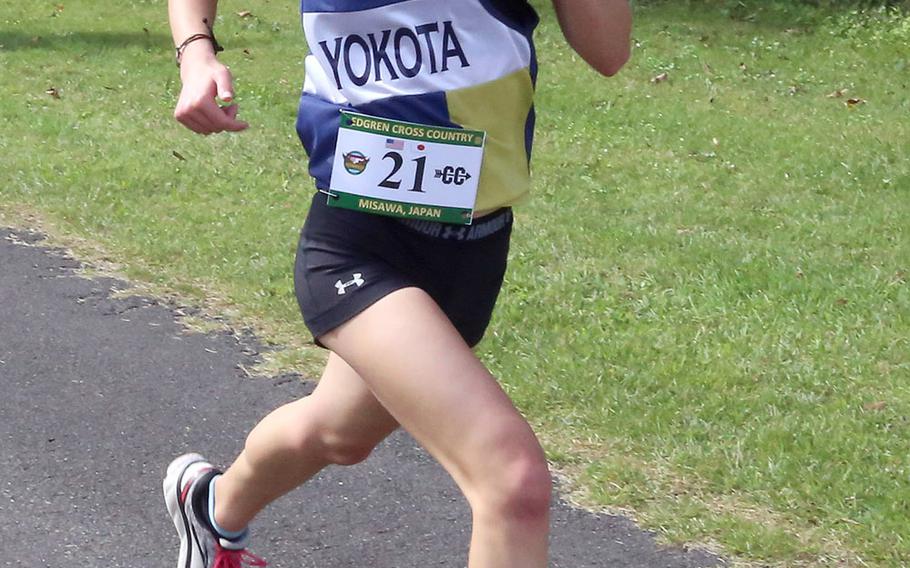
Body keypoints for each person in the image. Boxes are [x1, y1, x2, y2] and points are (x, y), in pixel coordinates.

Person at [163, 1, 632, 566]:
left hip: (473, 244)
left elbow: (608, 52)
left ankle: (210, 507)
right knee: (511, 480)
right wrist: (196, 51)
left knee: (338, 432)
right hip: (359, 238)